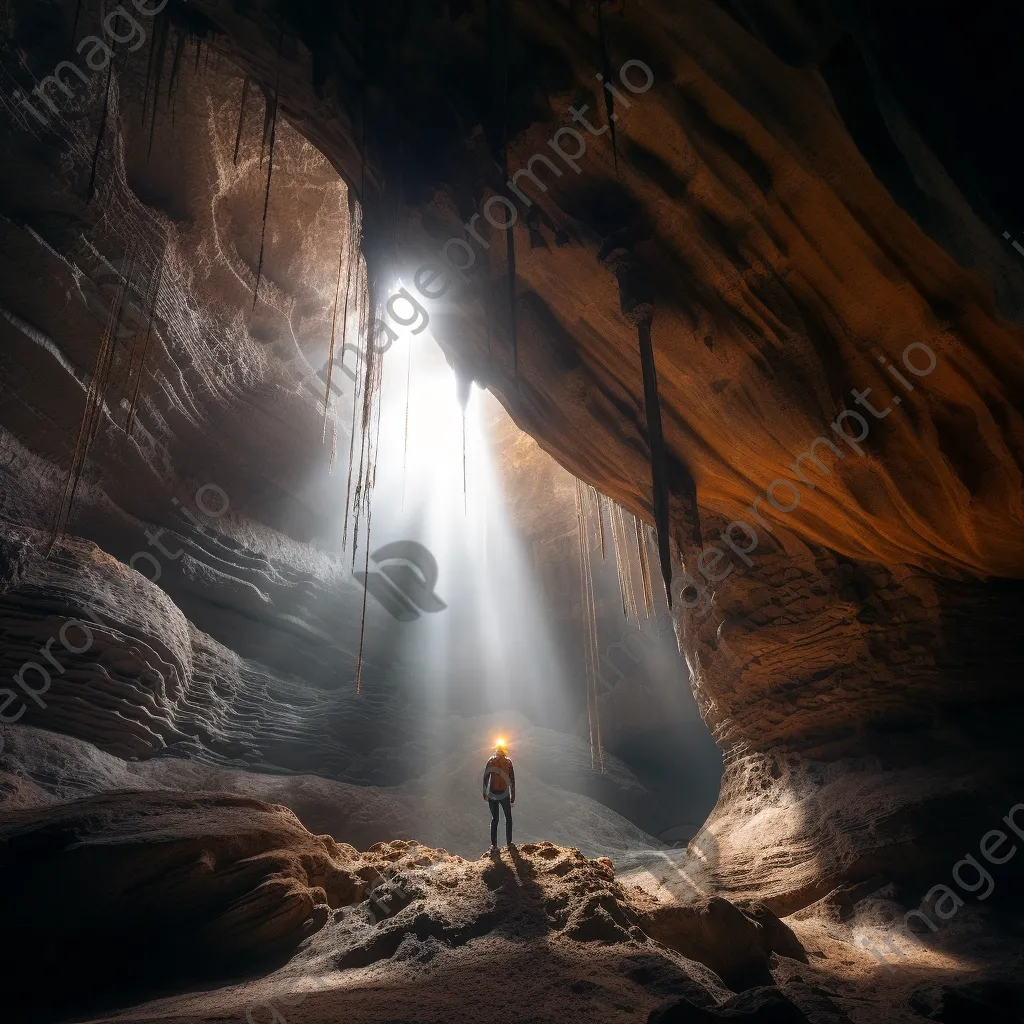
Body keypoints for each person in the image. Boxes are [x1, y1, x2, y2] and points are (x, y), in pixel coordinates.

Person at [482, 741, 515, 849]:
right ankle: (509, 843)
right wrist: (512, 797)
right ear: (505, 750)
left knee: (495, 819)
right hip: (504, 794)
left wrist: (485, 793)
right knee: (508, 818)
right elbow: (512, 780)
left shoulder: (491, 761)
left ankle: (493, 845)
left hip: (492, 793)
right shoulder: (508, 762)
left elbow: (486, 777)